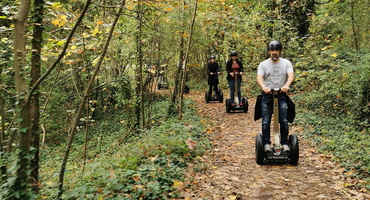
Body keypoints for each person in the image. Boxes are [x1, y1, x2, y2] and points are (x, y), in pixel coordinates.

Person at [256, 40, 294, 152]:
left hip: (281, 95)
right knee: (266, 121)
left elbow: (291, 75)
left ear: (280, 51)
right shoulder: (263, 64)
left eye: (276, 50)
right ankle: (266, 144)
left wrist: (287, 85)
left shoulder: (286, 63)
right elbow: (259, 77)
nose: (274, 52)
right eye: (272, 50)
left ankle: (285, 144)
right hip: (267, 96)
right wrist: (264, 87)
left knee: (283, 120)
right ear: (268, 52)